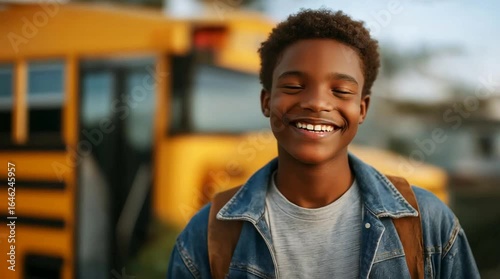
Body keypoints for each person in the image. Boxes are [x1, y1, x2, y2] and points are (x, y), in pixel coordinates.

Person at [167, 9, 479, 279]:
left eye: (341, 90)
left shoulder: (429, 224)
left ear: (362, 109)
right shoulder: (206, 237)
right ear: (266, 101)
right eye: (293, 86)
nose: (316, 102)